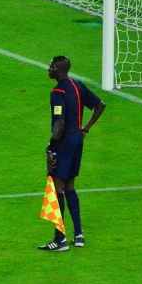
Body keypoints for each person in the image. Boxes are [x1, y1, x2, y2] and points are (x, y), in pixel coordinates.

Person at [38, 56, 106, 252]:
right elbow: (100, 105)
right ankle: (78, 235)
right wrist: (85, 129)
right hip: (77, 140)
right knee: (70, 186)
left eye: (51, 66)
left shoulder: (57, 92)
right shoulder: (77, 85)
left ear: (59, 70)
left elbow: (58, 124)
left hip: (64, 142)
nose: (48, 69)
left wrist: (51, 148)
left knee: (57, 186)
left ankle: (59, 240)